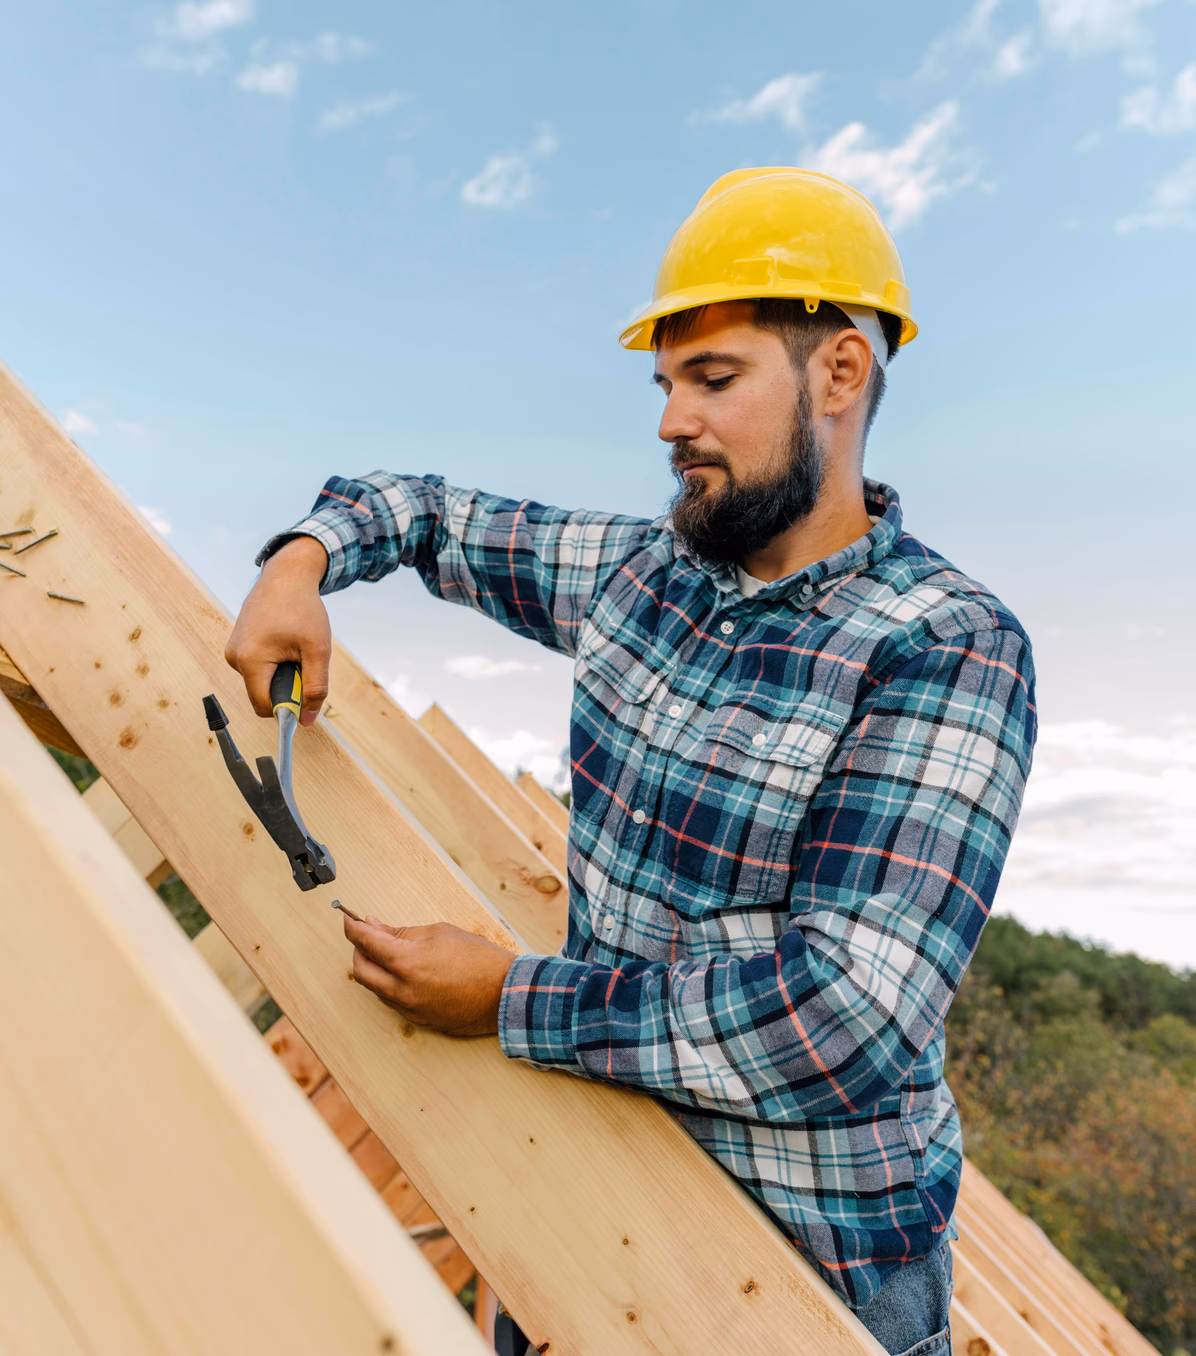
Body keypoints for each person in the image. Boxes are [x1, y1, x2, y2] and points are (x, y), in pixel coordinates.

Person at [226, 168, 1036, 1355]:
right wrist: (299, 560)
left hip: (802, 1265)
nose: (669, 422)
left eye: (712, 379)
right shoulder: (637, 575)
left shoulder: (942, 646)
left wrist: (507, 996)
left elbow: (842, 1018)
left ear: (840, 375)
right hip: (588, 1180)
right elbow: (418, 509)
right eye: (665, 385)